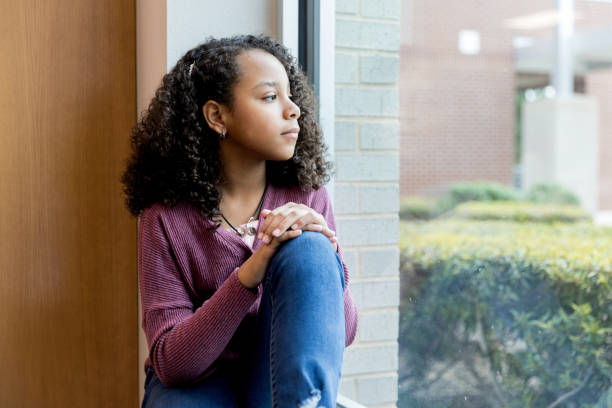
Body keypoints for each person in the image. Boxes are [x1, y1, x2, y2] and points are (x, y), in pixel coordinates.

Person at [121, 34, 358, 408]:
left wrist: (328, 252)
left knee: (311, 246)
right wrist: (251, 271)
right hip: (198, 382)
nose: (292, 109)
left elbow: (342, 333)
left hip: (278, 378)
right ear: (218, 116)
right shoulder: (164, 217)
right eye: (269, 97)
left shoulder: (306, 195)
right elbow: (171, 363)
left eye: (290, 95)